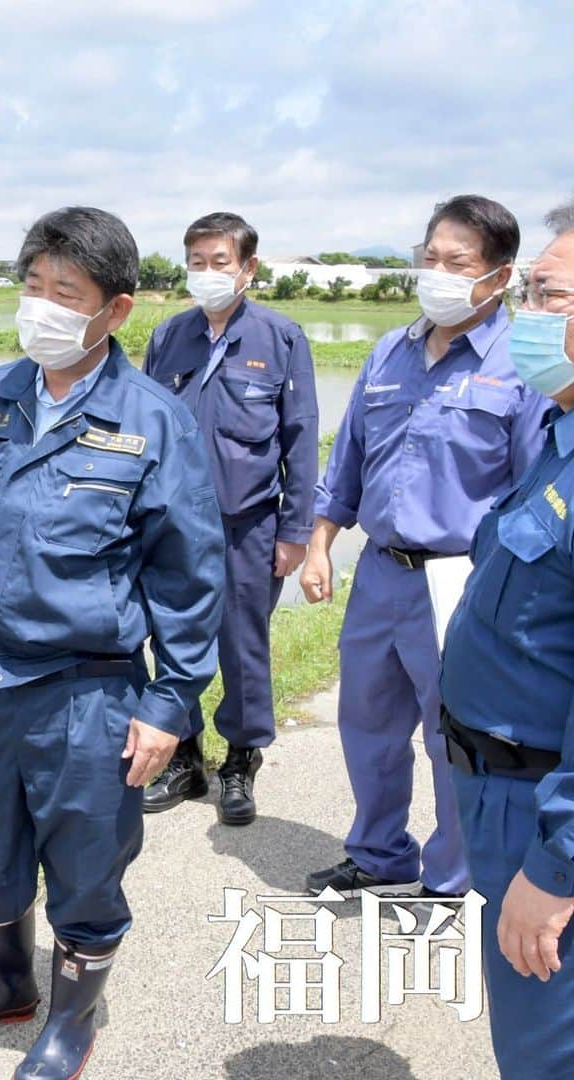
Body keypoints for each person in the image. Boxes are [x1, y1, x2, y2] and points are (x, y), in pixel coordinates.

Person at [0, 206, 225, 1079]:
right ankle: (1, 981)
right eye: (31, 287)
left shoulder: (154, 422)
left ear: (116, 310)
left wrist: (170, 704)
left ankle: (72, 1019)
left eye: (63, 293)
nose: (40, 307)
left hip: (93, 690)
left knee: (85, 858)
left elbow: (190, 576)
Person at [300, 194, 550, 900]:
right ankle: (379, 853)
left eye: (456, 262)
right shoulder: (390, 352)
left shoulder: (517, 367)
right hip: (380, 573)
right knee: (367, 725)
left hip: (462, 582)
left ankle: (452, 877)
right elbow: (346, 461)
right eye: (429, 257)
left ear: (497, 277)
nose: (435, 272)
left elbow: (533, 492)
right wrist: (320, 545)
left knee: (455, 739)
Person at [439, 200, 574, 1077]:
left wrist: (557, 871)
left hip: (545, 825)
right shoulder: (560, 438)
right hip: (502, 801)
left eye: (548, 296)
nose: (526, 316)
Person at [142, 212, 318, 824]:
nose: (207, 274)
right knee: (171, 639)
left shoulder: (281, 338)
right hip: (172, 527)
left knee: (243, 646)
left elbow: (300, 438)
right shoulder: (168, 338)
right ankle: (185, 756)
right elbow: (145, 431)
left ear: (248, 268)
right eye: (197, 263)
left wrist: (295, 531)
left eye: (220, 262)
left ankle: (240, 760)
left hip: (248, 525)